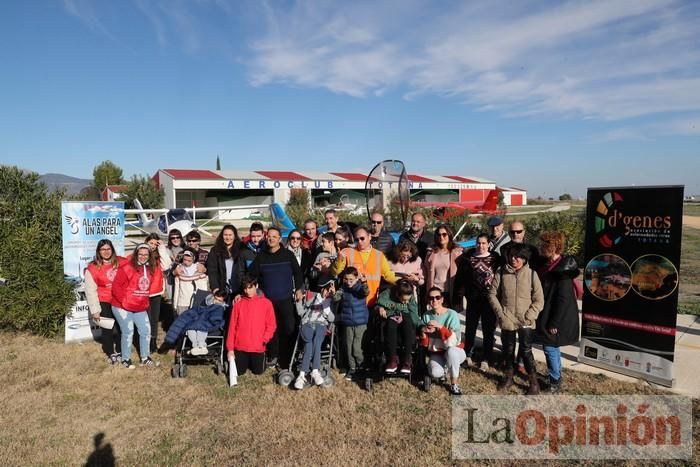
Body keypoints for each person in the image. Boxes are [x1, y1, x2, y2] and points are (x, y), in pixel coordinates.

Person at [488, 243, 544, 394]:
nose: (514, 259)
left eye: (517, 256)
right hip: (507, 318)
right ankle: (508, 377)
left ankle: (533, 383)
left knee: (526, 351)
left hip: (526, 319)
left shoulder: (532, 274)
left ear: (524, 258)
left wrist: (530, 315)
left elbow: (539, 299)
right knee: (508, 350)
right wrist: (500, 313)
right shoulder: (501, 272)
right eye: (511, 256)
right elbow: (492, 294)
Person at [248, 226, 304, 368]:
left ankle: (288, 358)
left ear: (280, 239)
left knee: (289, 328)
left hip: (286, 300)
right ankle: (273, 356)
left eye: (274, 236)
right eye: (269, 236)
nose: (271, 238)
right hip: (268, 302)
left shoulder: (288, 255)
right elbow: (250, 277)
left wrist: (298, 288)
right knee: (271, 330)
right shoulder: (261, 257)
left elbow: (298, 273)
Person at [535, 231, 580, 394]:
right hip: (548, 312)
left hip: (556, 316)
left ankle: (554, 382)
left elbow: (562, 300)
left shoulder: (563, 270)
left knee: (549, 347)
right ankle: (556, 375)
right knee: (552, 347)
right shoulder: (549, 264)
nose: (541, 247)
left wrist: (554, 323)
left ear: (553, 247)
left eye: (544, 245)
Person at [111, 243, 163, 369]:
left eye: (146, 255)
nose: (143, 257)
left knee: (146, 330)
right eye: (140, 254)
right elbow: (116, 286)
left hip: (139, 305)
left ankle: (145, 358)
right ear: (136, 254)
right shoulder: (127, 267)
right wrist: (124, 301)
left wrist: (144, 302)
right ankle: (126, 359)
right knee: (128, 331)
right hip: (122, 305)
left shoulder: (150, 268)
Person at [453, 233, 500, 369]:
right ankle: (468, 354)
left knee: (488, 329)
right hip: (473, 299)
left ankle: (486, 357)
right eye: (479, 243)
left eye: (484, 243)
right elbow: (460, 278)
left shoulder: (495, 259)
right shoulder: (468, 258)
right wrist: (459, 295)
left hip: (489, 299)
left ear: (489, 244)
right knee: (470, 328)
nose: (481, 246)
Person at [331, 226, 397, 306]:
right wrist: (338, 260)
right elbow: (335, 272)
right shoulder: (347, 252)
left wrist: (403, 281)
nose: (359, 241)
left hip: (371, 302)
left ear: (369, 237)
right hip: (352, 302)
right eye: (356, 239)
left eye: (362, 238)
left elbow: (388, 275)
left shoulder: (379, 255)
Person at [226, 274, 277, 377]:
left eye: (250, 287)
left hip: (258, 346)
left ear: (256, 286)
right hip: (240, 347)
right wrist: (230, 349)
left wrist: (264, 339)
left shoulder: (267, 303)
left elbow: (272, 324)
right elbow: (232, 327)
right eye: (245, 288)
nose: (247, 291)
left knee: (258, 371)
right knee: (239, 372)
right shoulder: (238, 303)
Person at [84, 239, 125, 365]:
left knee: (120, 327)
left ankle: (120, 350)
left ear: (112, 249)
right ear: (98, 251)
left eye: (108, 249)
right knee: (107, 328)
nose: (106, 252)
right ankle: (110, 352)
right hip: (104, 301)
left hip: (120, 300)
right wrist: (95, 310)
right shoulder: (93, 267)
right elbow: (90, 290)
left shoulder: (122, 262)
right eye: (103, 249)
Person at [420, 287, 466, 395]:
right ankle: (444, 370)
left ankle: (454, 384)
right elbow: (425, 344)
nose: (434, 300)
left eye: (437, 297)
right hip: (438, 352)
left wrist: (440, 327)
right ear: (428, 300)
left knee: (451, 352)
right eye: (431, 298)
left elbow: (454, 341)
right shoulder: (426, 315)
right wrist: (423, 332)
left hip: (456, 351)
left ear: (442, 299)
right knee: (435, 373)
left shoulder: (452, 314)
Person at [294, 275, 336, 389]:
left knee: (316, 340)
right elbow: (301, 313)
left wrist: (326, 307)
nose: (327, 293)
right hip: (308, 323)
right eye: (326, 289)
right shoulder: (312, 298)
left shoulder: (330, 302)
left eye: (329, 291)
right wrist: (299, 301)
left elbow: (332, 319)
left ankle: (305, 373)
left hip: (321, 325)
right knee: (309, 341)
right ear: (322, 289)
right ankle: (310, 373)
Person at [161, 289, 227, 356]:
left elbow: (216, 318)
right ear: (213, 296)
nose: (216, 302)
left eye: (219, 301)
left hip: (208, 325)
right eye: (215, 299)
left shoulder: (220, 308)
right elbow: (193, 312)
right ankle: (195, 346)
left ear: (223, 301)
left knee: (201, 328)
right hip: (198, 322)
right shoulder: (204, 304)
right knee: (189, 328)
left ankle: (201, 345)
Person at [377, 279, 420, 374]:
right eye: (403, 300)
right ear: (397, 294)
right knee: (391, 324)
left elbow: (414, 314)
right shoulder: (388, 293)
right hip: (391, 317)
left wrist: (421, 326)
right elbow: (380, 302)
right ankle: (393, 360)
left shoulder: (410, 299)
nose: (405, 302)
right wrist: (385, 310)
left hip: (406, 318)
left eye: (407, 300)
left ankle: (407, 359)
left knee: (408, 321)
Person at [333, 267, 370, 380]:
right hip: (348, 322)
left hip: (360, 323)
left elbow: (366, 292)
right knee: (348, 347)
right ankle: (352, 368)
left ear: (356, 278)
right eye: (346, 279)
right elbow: (336, 298)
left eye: (351, 280)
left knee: (356, 347)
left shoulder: (359, 287)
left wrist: (364, 282)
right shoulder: (343, 288)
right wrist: (334, 293)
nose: (348, 282)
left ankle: (362, 366)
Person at [145, 233, 171, 351]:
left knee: (154, 319)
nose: (153, 246)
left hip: (155, 292)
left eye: (156, 244)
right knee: (144, 319)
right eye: (151, 243)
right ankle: (143, 340)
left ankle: (153, 341)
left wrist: (162, 248)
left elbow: (167, 265)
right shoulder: (141, 254)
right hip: (142, 293)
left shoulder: (159, 257)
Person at [425, 224, 462, 305]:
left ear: (449, 235)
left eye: (444, 234)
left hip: (450, 292)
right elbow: (426, 271)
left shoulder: (457, 253)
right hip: (435, 292)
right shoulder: (431, 252)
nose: (441, 237)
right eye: (439, 234)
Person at [206, 224, 244, 302]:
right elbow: (212, 271)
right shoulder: (215, 251)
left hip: (238, 290)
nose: (228, 237)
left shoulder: (241, 250)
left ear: (234, 236)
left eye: (230, 235)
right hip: (222, 290)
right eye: (225, 235)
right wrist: (215, 289)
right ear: (222, 236)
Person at [172, 249, 209, 314]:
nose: (186, 262)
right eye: (184, 260)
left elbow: (204, 288)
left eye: (189, 261)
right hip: (183, 302)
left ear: (194, 260)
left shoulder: (199, 269)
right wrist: (175, 305)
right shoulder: (179, 269)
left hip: (196, 302)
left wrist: (203, 302)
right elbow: (177, 288)